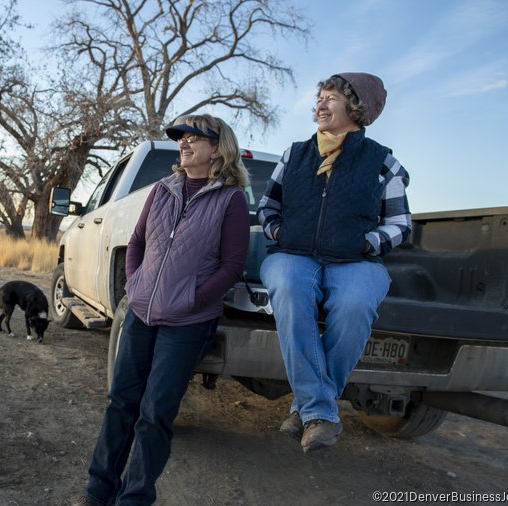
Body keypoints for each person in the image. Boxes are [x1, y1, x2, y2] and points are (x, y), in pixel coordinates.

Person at [73, 114, 251, 506]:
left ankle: (134, 498)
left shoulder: (231, 199)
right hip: (140, 313)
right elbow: (135, 244)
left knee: (155, 413)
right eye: (181, 138)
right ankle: (96, 491)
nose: (184, 144)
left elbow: (231, 267)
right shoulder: (161, 190)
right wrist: (135, 285)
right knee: (121, 402)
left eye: (193, 138)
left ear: (217, 149)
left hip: (187, 324)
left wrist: (192, 299)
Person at [256, 72, 412, 453]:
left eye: (331, 98)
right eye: (319, 98)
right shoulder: (295, 153)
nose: (320, 105)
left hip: (355, 259)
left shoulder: (382, 162)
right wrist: (278, 233)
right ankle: (321, 412)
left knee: (355, 305)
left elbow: (400, 223)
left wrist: (367, 242)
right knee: (290, 292)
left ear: (356, 106)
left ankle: (306, 408)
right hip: (293, 254)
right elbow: (267, 205)